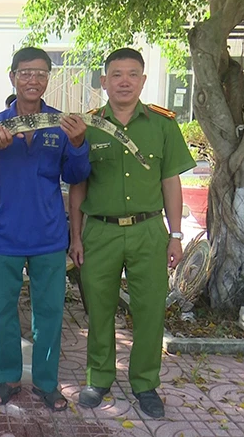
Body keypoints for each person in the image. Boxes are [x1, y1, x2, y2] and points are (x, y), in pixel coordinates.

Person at [0, 47, 90, 411]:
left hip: (49, 235)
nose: (33, 80)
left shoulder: (62, 124)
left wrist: (79, 144)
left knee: (49, 313)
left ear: (48, 78)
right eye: (25, 73)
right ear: (13, 76)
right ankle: (5, 378)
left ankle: (47, 383)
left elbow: (76, 176)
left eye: (40, 73)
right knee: (3, 311)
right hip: (5, 235)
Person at [68, 48, 196, 418]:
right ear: (104, 81)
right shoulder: (86, 126)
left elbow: (170, 181)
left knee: (150, 309)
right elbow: (78, 186)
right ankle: (99, 377)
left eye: (132, 74)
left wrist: (176, 234)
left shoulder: (162, 124)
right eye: (116, 74)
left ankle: (145, 383)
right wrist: (76, 237)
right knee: (99, 308)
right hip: (101, 233)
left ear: (142, 79)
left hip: (148, 232)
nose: (124, 81)